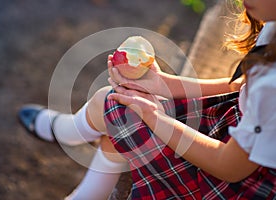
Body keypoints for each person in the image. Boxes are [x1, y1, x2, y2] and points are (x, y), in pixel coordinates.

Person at [18, 0, 276, 199]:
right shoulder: (272, 25)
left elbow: (230, 168)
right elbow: (244, 86)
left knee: (116, 106)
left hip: (236, 180)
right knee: (124, 109)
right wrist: (165, 84)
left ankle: (69, 132)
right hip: (236, 130)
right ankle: (85, 184)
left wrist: (155, 117)